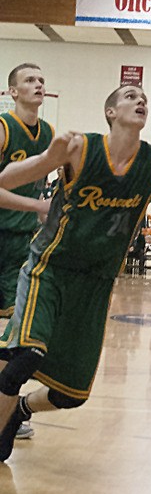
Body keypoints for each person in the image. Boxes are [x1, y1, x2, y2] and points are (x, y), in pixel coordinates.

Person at [0, 85, 151, 462]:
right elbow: (6, 179)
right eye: (130, 95)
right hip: (50, 269)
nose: (140, 100)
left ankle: (22, 411)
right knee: (25, 356)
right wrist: (48, 158)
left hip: (97, 283)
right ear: (110, 112)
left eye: (143, 97)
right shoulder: (80, 148)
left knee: (71, 394)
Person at [0, 63, 54, 322]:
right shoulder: (3, 128)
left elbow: (40, 183)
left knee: (19, 313)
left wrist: (45, 208)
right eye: (30, 80)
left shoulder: (49, 134)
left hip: (22, 234)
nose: (38, 85)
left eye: (41, 80)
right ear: (13, 91)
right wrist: (38, 207)